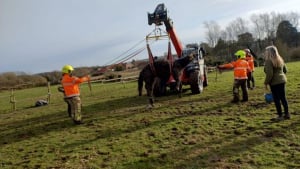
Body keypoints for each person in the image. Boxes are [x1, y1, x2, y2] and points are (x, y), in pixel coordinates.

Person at [264, 45, 290, 121]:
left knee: (276, 99)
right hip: (282, 81)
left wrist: (266, 82)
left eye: (266, 52)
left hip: (275, 83)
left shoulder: (268, 61)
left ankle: (280, 116)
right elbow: (285, 70)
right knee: (283, 98)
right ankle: (287, 114)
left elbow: (270, 74)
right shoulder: (280, 59)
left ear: (269, 53)